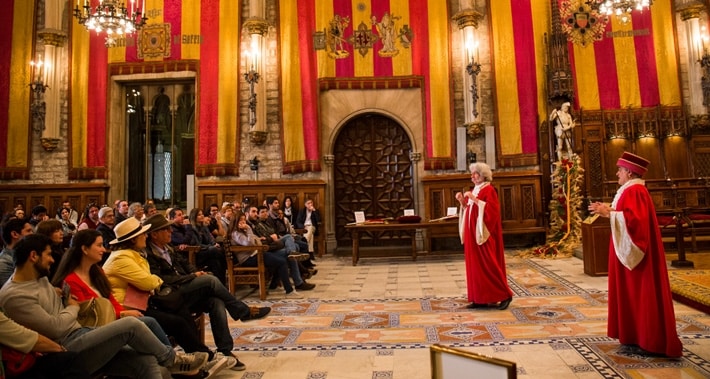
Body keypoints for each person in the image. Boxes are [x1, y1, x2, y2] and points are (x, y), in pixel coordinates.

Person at [0, 234, 208, 378]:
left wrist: (64, 303)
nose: (51, 260)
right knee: (132, 326)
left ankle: (173, 362)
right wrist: (72, 306)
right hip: (66, 348)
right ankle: (172, 360)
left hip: (82, 334)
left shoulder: (39, 279)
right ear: (33, 256)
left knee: (144, 360)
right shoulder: (15, 295)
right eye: (47, 254)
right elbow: (55, 327)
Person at [142, 214, 271, 371]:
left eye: (170, 228)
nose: (170, 232)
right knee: (210, 280)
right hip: (171, 294)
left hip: (185, 289)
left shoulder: (167, 248)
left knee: (216, 302)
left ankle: (225, 350)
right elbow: (161, 279)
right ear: (154, 234)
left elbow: (185, 263)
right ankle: (242, 311)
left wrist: (195, 272)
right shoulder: (149, 254)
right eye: (166, 229)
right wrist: (192, 277)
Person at [587, 152, 683, 358]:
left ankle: (650, 340)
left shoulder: (635, 191)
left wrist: (608, 213)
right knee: (633, 294)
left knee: (641, 293)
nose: (617, 173)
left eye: (620, 170)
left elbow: (636, 224)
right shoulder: (630, 190)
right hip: (627, 252)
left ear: (629, 172)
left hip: (639, 260)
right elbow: (626, 215)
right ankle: (635, 336)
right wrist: (608, 210)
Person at [102, 218, 221, 370]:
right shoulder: (121, 258)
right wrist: (155, 282)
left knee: (182, 307)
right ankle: (189, 360)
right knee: (178, 321)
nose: (146, 236)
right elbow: (149, 282)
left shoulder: (134, 255)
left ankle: (200, 358)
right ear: (133, 239)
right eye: (142, 234)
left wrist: (153, 282)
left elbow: (149, 280)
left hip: (142, 302)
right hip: (127, 307)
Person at [455, 162, 513, 310]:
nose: (472, 176)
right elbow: (469, 209)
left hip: (483, 234)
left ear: (483, 175)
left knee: (488, 264)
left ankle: (505, 294)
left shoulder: (489, 190)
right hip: (472, 235)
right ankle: (479, 298)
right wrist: (462, 200)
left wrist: (474, 200)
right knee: (475, 266)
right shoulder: (475, 189)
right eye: (472, 173)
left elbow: (492, 212)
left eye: (475, 173)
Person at [0, 309, 90, 379]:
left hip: (75, 331)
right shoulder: (18, 295)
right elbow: (55, 329)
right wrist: (74, 307)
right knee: (69, 359)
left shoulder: (47, 289)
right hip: (65, 339)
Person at [0, 217, 33, 286]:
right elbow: (14, 292)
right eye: (28, 231)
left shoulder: (26, 255)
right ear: (15, 234)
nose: (32, 234)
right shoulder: (4, 263)